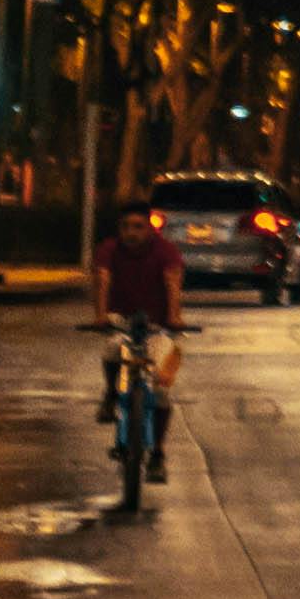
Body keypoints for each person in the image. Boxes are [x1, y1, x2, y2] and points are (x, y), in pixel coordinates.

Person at [91, 188, 192, 504]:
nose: (131, 234)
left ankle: (158, 454)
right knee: (110, 350)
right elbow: (102, 279)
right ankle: (110, 395)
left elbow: (172, 282)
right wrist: (101, 315)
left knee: (161, 390)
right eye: (126, 228)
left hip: (159, 327)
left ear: (150, 228)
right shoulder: (108, 250)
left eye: (138, 227)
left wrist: (174, 317)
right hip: (121, 322)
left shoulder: (166, 251)